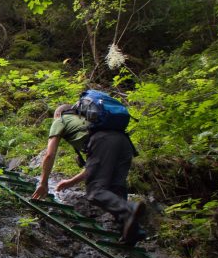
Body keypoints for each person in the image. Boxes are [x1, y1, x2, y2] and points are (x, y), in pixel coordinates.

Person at [31, 104, 145, 245]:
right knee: (116, 189)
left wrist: (43, 183)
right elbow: (93, 167)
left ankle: (130, 209)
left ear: (58, 114)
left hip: (104, 142)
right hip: (124, 143)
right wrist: (72, 181)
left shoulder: (60, 120)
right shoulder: (91, 122)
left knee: (95, 191)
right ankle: (131, 233)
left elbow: (49, 155)